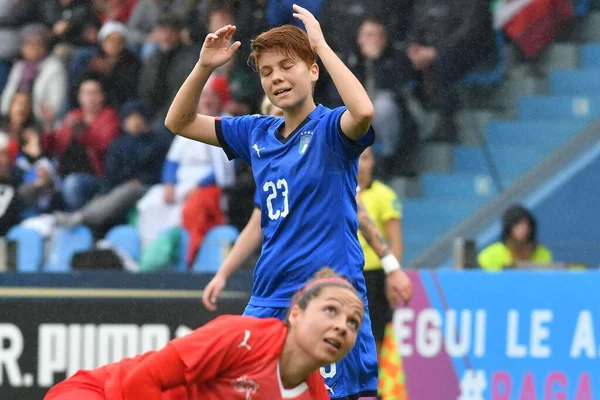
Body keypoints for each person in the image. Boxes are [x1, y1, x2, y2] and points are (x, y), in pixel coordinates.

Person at [164, 6, 412, 398]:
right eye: (266, 72)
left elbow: (363, 111)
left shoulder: (331, 130)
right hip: (269, 297)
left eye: (287, 66)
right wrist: (203, 67)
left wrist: (320, 46)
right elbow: (178, 122)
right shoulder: (255, 133)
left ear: (313, 71)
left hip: (329, 296)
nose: (276, 77)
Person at [44, 268, 363, 400]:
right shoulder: (243, 337)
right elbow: (140, 382)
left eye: (353, 322)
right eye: (331, 310)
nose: (342, 326)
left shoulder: (315, 394)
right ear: (295, 313)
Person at [478, 205, 552, 271]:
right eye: (517, 225)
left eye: (526, 224)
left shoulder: (542, 253)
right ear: (508, 227)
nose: (523, 229)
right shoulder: (489, 255)